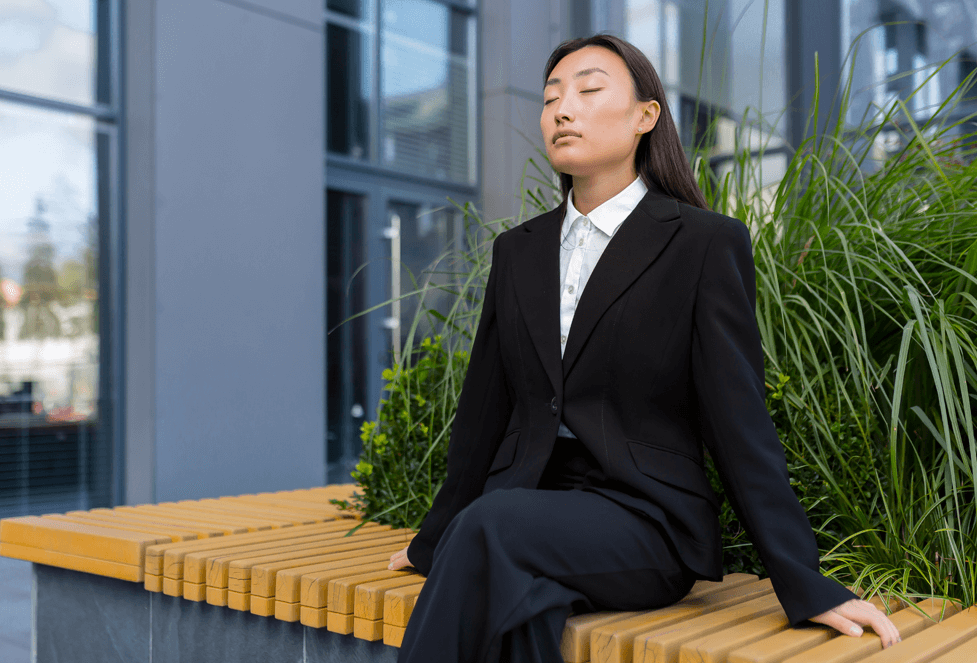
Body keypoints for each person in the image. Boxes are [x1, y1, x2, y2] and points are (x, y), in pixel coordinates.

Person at [386, 33, 902, 662]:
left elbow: (738, 420)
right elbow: (484, 411)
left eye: (588, 90)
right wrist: (431, 540)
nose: (562, 109)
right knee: (525, 603)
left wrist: (804, 580)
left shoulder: (702, 244)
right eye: (551, 98)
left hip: (646, 519)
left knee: (493, 528)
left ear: (644, 117)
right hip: (532, 513)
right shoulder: (517, 250)